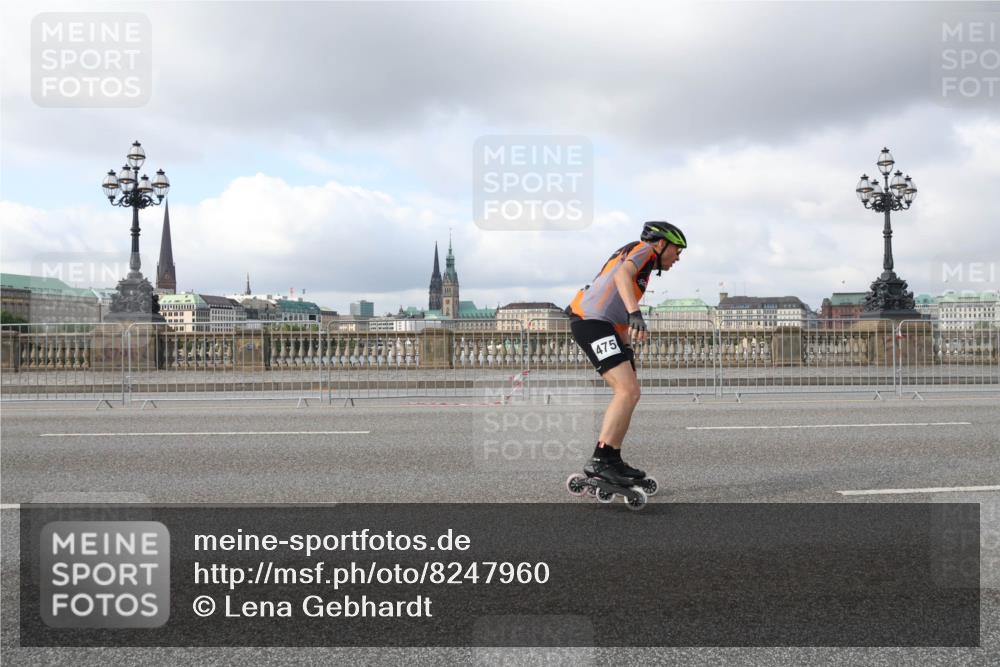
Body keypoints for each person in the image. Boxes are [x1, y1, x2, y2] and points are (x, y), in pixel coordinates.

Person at [565, 220, 687, 489]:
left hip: (599, 323)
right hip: (591, 321)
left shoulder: (642, 269)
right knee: (627, 391)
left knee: (630, 391)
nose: (678, 258)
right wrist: (636, 314)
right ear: (661, 243)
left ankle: (611, 457)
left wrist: (627, 347)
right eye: (677, 250)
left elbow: (614, 303)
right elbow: (620, 277)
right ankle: (602, 460)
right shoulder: (644, 250)